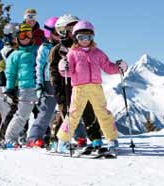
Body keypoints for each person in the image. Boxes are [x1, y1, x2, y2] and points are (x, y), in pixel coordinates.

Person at [56, 20, 128, 153]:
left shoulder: (98, 53)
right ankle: (62, 141)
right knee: (74, 114)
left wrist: (119, 68)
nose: (85, 40)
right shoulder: (72, 53)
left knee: (103, 112)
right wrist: (62, 67)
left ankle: (112, 139)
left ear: (92, 37)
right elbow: (68, 72)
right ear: (75, 37)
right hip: (79, 88)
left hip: (96, 88)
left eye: (88, 37)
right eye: (81, 37)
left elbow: (108, 67)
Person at [49, 14, 102, 149]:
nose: (74, 32)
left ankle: (95, 138)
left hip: (82, 86)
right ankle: (56, 140)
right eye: (71, 28)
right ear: (63, 31)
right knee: (66, 114)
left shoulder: (84, 48)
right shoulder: (57, 50)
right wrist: (57, 90)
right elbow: (54, 72)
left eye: (76, 28)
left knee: (89, 111)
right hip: (65, 87)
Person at [27, 17, 60, 148]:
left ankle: (78, 136)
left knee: (72, 109)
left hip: (64, 82)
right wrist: (39, 85)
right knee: (46, 111)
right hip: (48, 82)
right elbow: (39, 67)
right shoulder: (44, 48)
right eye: (56, 32)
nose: (59, 35)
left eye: (62, 32)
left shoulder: (66, 47)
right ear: (48, 33)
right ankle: (34, 137)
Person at [3, 23, 38, 147]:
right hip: (25, 88)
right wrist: (9, 89)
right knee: (23, 114)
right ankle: (10, 138)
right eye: (22, 36)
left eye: (28, 35)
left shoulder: (37, 50)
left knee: (45, 113)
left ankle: (40, 137)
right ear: (16, 38)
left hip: (40, 87)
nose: (26, 38)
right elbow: (10, 74)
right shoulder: (14, 55)